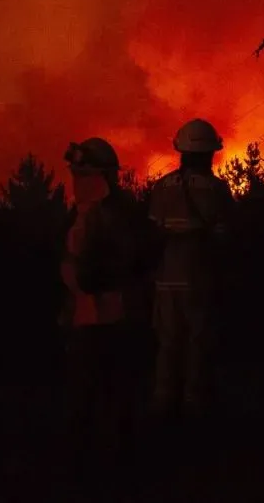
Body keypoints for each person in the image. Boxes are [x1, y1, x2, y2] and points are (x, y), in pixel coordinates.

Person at [59, 137, 148, 495]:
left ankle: (113, 471)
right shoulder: (81, 211)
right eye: (75, 173)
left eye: (83, 173)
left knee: (111, 396)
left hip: (112, 319)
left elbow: (127, 262)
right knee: (88, 398)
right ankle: (87, 469)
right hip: (87, 318)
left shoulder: (116, 214)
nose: (77, 180)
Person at [147, 118, 235, 422]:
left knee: (167, 345)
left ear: (181, 151)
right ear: (210, 153)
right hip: (199, 280)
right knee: (197, 343)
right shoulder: (216, 189)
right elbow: (226, 237)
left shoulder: (162, 186)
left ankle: (161, 408)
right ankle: (193, 409)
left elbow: (152, 234)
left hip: (165, 281)